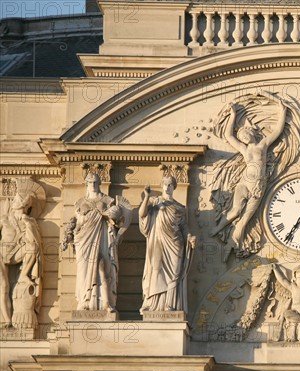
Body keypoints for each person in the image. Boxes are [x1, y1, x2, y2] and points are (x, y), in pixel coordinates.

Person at [210, 100, 287, 257]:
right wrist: (233, 115)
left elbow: (278, 130)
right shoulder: (244, 149)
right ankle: (216, 230)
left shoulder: (263, 145)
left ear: (252, 133)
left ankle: (231, 245)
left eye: (245, 134)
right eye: (242, 137)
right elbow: (228, 135)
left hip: (258, 185)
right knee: (235, 211)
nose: (244, 137)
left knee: (245, 218)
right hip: (244, 183)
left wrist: (282, 111)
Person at [139, 176, 196, 313]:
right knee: (156, 269)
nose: (167, 186)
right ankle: (153, 304)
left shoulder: (180, 207)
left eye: (170, 184)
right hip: (159, 240)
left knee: (174, 275)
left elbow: (184, 227)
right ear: (162, 185)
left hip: (176, 244)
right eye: (165, 184)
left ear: (174, 187)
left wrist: (190, 237)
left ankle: (170, 304)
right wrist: (147, 196)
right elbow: (142, 213)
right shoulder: (154, 201)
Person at [73, 173, 128, 312]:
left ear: (99, 183)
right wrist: (72, 234)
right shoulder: (79, 202)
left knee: (103, 268)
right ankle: (84, 301)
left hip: (102, 237)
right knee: (84, 270)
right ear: (86, 184)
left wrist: (111, 215)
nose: (93, 185)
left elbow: (118, 220)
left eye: (95, 182)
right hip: (84, 240)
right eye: (90, 182)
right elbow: (78, 223)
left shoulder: (107, 200)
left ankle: (106, 302)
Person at [0, 191, 42, 328]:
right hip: (1, 255)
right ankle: (7, 320)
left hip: (17, 253)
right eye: (20, 207)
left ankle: (24, 274)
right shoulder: (4, 220)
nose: (21, 210)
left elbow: (35, 241)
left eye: (24, 208)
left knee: (32, 247)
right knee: (4, 286)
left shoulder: (28, 220)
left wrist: (27, 222)